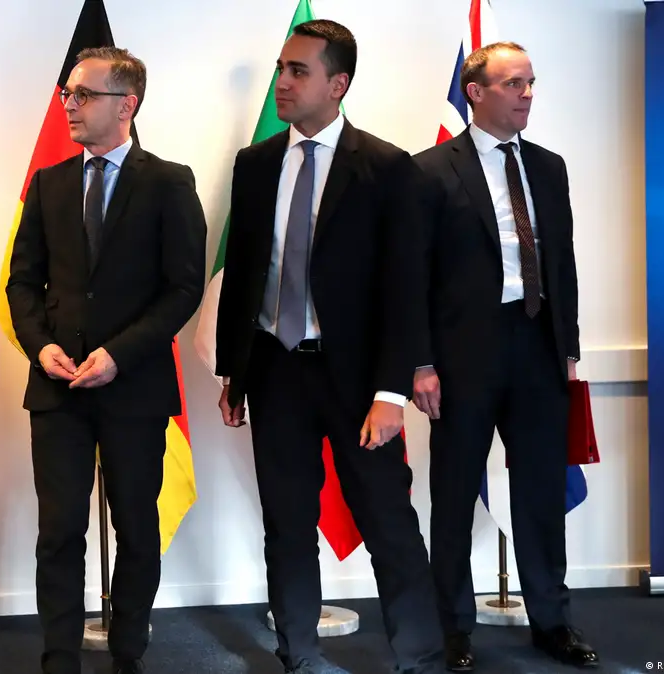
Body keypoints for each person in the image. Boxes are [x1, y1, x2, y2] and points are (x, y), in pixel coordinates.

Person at [214, 19, 444, 674]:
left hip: (360, 382)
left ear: (337, 84)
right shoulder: (256, 164)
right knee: (286, 525)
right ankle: (299, 654)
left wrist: (391, 392)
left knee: (387, 524)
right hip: (274, 371)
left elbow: (406, 286)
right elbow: (245, 272)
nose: (282, 82)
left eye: (298, 71)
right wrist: (234, 373)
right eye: (280, 69)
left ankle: (420, 658)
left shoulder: (386, 167)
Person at [5, 47, 206, 674]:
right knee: (59, 531)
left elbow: (183, 288)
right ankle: (59, 657)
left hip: (134, 387)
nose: (69, 104)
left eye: (84, 95)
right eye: (68, 93)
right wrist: (41, 346)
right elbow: (22, 283)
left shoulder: (169, 182)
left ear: (127, 104)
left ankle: (128, 652)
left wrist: (118, 355)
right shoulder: (49, 183)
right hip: (58, 388)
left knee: (137, 530)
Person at [412, 42, 598, 671]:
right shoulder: (430, 170)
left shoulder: (549, 166)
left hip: (539, 344)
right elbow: (411, 275)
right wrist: (421, 362)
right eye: (513, 83)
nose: (527, 94)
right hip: (463, 354)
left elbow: (562, 263)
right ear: (476, 91)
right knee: (455, 490)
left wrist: (568, 349)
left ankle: (552, 621)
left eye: (531, 82)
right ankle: (453, 627)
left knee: (542, 492)